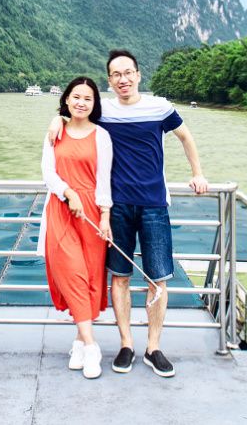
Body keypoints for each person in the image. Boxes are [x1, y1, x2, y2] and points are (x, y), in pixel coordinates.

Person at [49, 49, 207, 378]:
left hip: (154, 204)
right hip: (117, 205)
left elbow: (185, 136)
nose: (123, 79)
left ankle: (153, 347)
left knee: (157, 278)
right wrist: (57, 119)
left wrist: (198, 173)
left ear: (138, 75)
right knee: (119, 276)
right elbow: (75, 115)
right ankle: (126, 344)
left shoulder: (160, 107)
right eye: (116, 75)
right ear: (109, 80)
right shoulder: (104, 110)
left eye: (128, 73)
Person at [39, 76, 113, 380]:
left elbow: (104, 179)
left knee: (91, 278)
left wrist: (105, 216)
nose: (81, 103)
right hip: (62, 208)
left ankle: (81, 343)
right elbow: (47, 172)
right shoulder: (55, 131)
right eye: (76, 97)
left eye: (88, 98)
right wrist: (68, 193)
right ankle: (93, 347)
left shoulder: (102, 136)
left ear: (94, 104)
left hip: (92, 212)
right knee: (72, 274)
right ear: (67, 99)